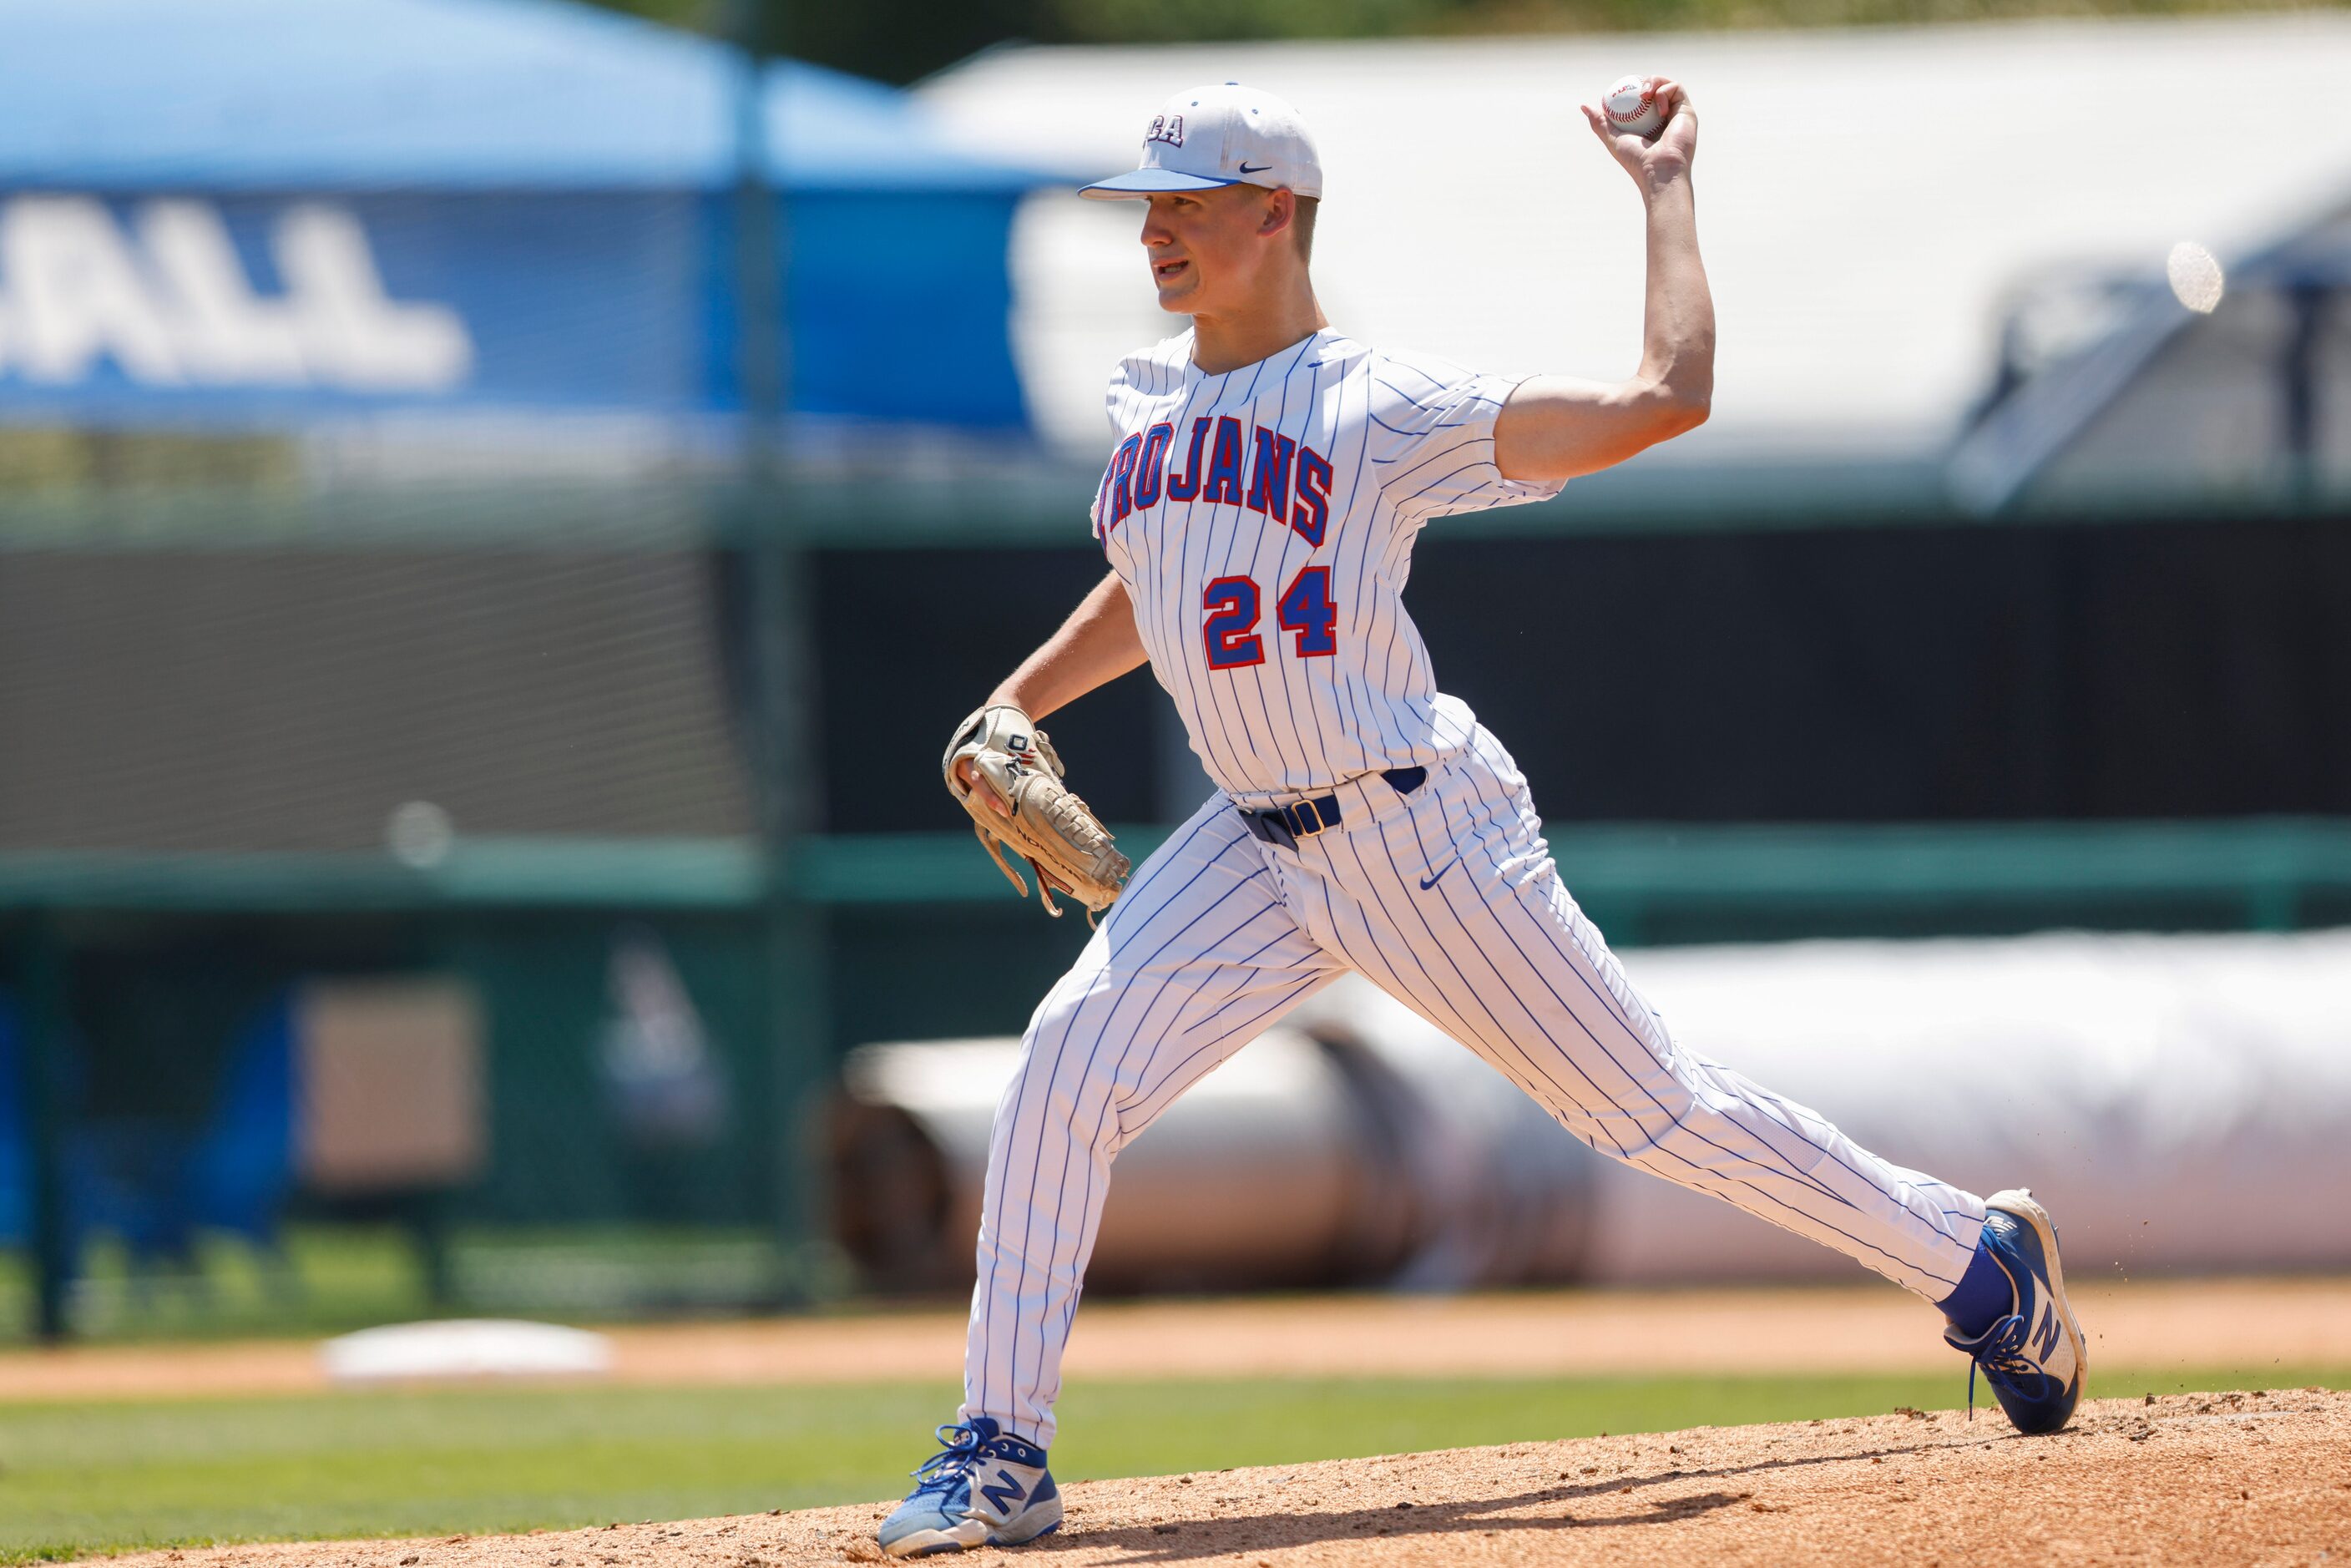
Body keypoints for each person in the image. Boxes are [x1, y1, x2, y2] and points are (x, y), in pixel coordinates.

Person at [877, 78, 2086, 1560]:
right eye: (1149, 206)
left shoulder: (1379, 404)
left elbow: (1667, 397)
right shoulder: (1151, 406)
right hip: (1253, 846)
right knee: (1064, 1063)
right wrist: (1018, 699)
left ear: (1278, 212)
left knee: (1654, 1112)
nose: (1159, 232)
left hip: (1419, 841)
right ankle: (1001, 1450)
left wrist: (1664, 194)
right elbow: (1159, 574)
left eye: (1190, 202)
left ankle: (1979, 1263)